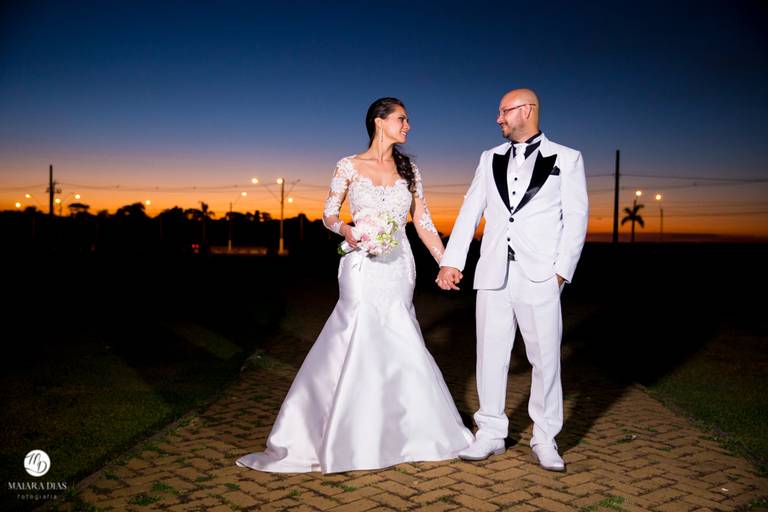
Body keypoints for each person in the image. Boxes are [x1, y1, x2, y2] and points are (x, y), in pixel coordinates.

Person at [236, 97, 473, 474]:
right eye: (402, 119)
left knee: (399, 333)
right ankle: (348, 432)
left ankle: (405, 431)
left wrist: (446, 262)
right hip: (360, 263)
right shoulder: (348, 165)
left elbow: (423, 220)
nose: (408, 126)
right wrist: (349, 229)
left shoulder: (410, 168)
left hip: (399, 265)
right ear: (380, 122)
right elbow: (328, 215)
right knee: (358, 328)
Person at [436, 88, 588, 471]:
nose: (498, 119)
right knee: (490, 354)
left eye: (504, 111)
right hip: (492, 273)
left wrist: (560, 273)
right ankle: (490, 433)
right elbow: (470, 210)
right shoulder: (489, 158)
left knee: (546, 359)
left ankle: (545, 437)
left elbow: (576, 220)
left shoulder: (567, 159)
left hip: (540, 275)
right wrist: (452, 261)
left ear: (527, 110)